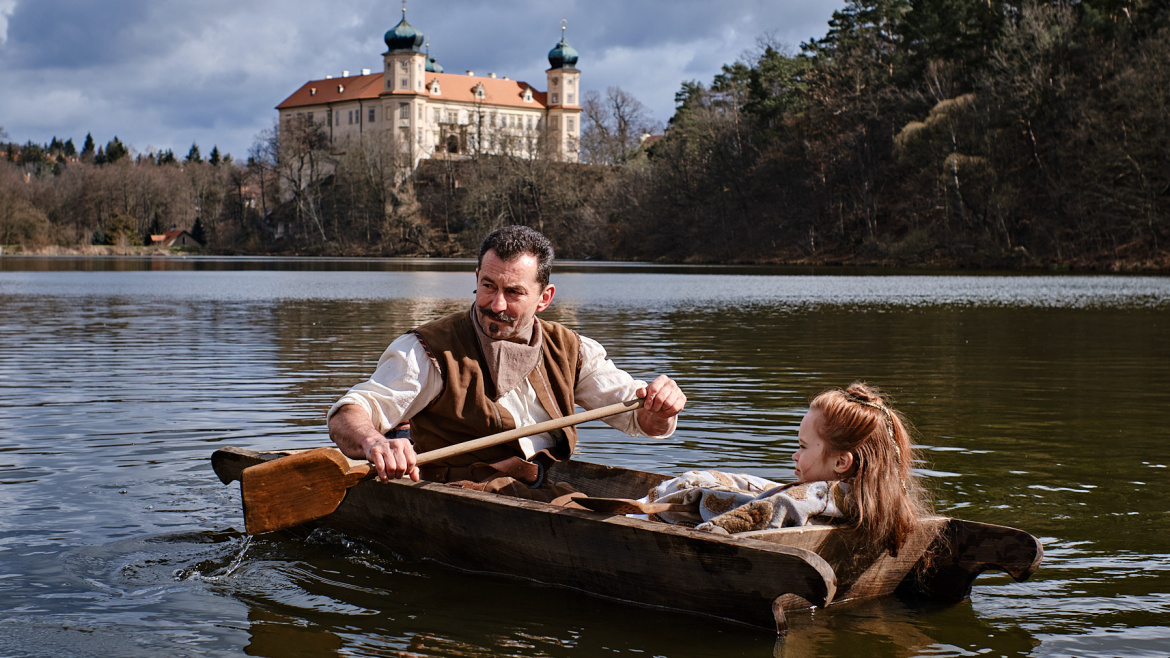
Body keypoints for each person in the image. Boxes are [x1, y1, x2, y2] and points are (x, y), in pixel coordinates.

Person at [327, 225, 686, 504]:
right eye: (487, 285)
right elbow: (350, 413)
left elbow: (643, 421)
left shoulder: (573, 350)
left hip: (545, 490)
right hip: (462, 499)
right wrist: (375, 441)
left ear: (544, 298)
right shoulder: (428, 349)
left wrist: (660, 409)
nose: (496, 304)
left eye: (513, 292)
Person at [632, 382, 928, 556]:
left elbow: (724, 527)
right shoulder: (878, 500)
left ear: (841, 463)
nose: (794, 455)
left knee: (695, 484)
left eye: (802, 446)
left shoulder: (810, 497)